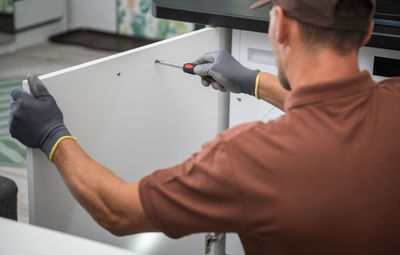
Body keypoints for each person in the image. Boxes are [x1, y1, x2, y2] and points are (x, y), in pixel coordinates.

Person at [8, 0, 400, 254]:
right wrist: (252, 80)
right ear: (366, 32)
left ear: (278, 26)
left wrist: (54, 137)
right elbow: (335, 107)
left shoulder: (247, 157)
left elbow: (118, 210)